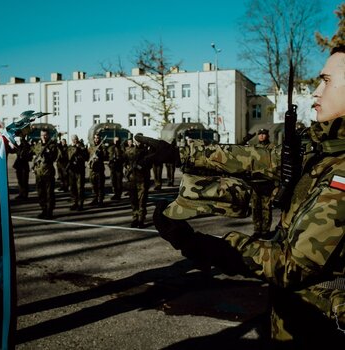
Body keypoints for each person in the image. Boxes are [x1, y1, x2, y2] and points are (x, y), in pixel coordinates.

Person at [136, 46, 345, 346]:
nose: (315, 91)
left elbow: (290, 264)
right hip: (295, 318)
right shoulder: (324, 149)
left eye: (326, 80)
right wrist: (181, 152)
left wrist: (204, 246)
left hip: (321, 327)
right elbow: (258, 158)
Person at [249, 128, 276, 238]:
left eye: (264, 134)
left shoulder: (272, 148)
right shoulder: (254, 148)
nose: (261, 136)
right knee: (255, 208)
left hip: (267, 182)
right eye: (260, 134)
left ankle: (265, 231)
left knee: (266, 208)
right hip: (255, 182)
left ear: (267, 135)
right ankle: (257, 230)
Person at [123, 135, 152, 228]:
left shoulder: (147, 152)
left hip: (143, 180)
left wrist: (142, 166)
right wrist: (127, 168)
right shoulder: (129, 151)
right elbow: (124, 161)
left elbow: (150, 164)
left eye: (140, 141)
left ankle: (141, 219)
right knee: (133, 200)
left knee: (142, 201)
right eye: (137, 140)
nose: (138, 142)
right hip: (132, 180)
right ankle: (135, 218)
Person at [31, 128, 58, 219]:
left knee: (49, 193)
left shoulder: (52, 146)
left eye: (45, 135)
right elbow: (32, 154)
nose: (43, 137)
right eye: (42, 135)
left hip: (48, 173)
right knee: (40, 193)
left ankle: (49, 212)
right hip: (39, 173)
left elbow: (54, 157)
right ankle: (43, 209)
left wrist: (47, 154)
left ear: (48, 135)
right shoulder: (38, 146)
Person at [67, 134, 88, 211]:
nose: (74, 140)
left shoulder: (82, 147)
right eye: (72, 139)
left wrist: (80, 150)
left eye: (75, 139)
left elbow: (86, 157)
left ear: (77, 139)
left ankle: (80, 204)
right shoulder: (69, 148)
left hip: (79, 170)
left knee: (80, 188)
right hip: (72, 170)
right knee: (72, 188)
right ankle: (74, 203)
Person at [88, 133, 106, 207]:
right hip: (92, 169)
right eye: (95, 138)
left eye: (97, 138)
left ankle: (100, 200)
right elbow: (88, 155)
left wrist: (100, 153)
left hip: (99, 169)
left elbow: (105, 156)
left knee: (100, 185)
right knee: (93, 185)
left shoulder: (102, 147)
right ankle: (95, 198)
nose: (96, 139)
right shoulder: (91, 147)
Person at [13, 136, 32, 200]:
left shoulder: (26, 146)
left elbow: (29, 155)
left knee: (24, 181)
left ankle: (24, 195)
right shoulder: (18, 146)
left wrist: (23, 142)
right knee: (20, 181)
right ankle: (21, 194)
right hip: (19, 165)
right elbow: (13, 150)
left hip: (24, 166)